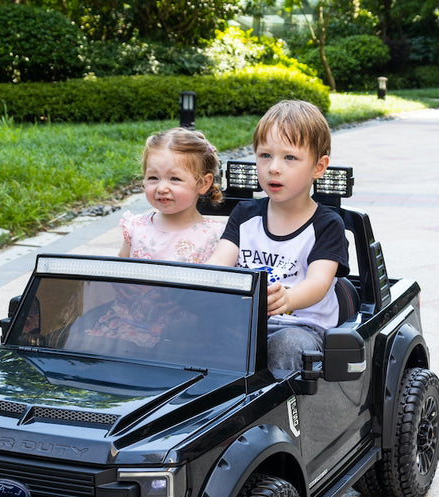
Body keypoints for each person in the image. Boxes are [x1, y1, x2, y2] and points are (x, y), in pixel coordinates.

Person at [208, 100, 349, 373]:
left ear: (319, 167)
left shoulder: (327, 224)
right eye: (265, 156)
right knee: (199, 332)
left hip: (303, 327)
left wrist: (289, 298)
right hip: (246, 321)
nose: (274, 168)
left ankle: (285, 413)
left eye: (290, 158)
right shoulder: (245, 215)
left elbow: (319, 282)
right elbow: (218, 264)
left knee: (286, 345)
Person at [118, 128, 224, 263]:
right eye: (153, 177)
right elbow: (119, 272)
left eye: (175, 179)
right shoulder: (135, 227)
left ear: (203, 183)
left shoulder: (214, 236)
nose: (161, 188)